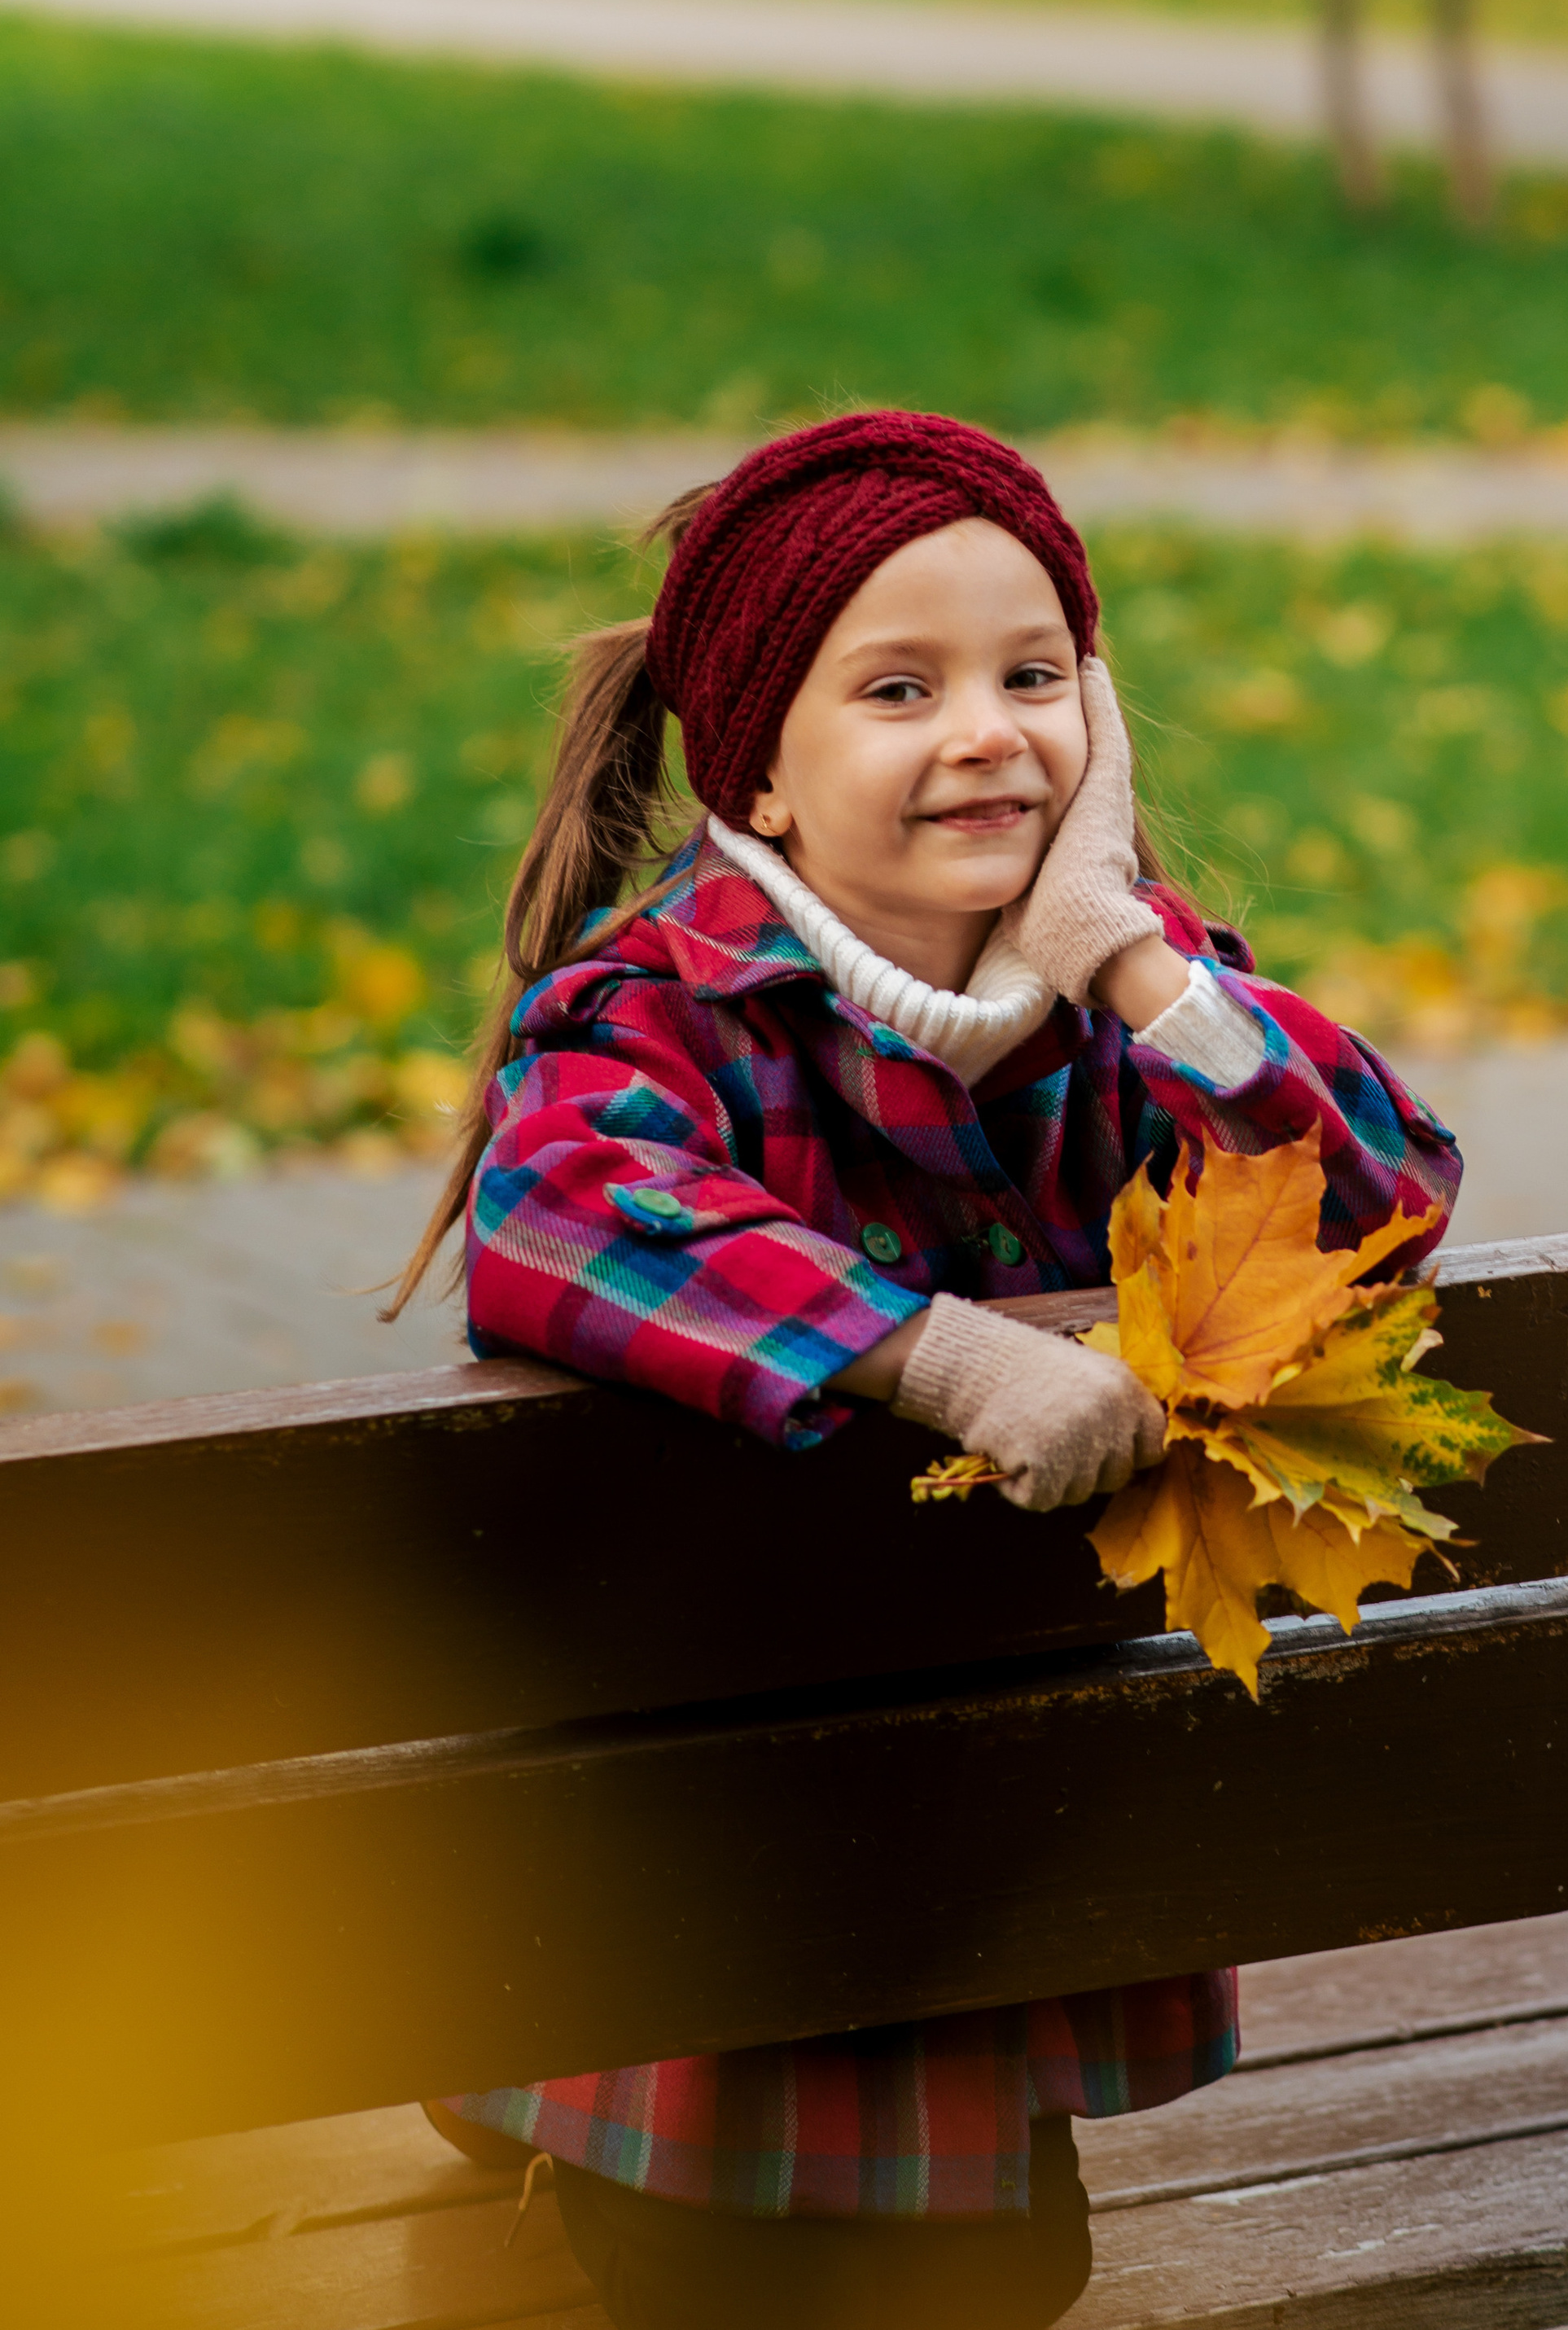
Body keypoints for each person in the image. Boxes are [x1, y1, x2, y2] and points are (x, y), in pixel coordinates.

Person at [391, 408, 1462, 2330]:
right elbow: (557, 1212)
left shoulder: (1133, 1009)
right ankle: (535, 2116)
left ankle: (525, 2127)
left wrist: (1133, 960)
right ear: (765, 782)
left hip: (980, 1847)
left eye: (1034, 676)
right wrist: (939, 1358)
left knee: (987, 2268)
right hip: (709, 1866)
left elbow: (1377, 1204)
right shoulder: (659, 1015)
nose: (987, 730)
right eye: (900, 688)